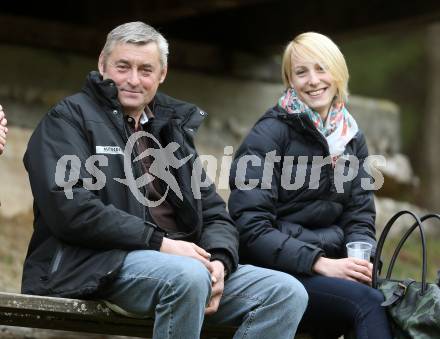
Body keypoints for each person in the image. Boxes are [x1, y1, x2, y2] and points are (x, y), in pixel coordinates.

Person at [22, 22, 308, 339]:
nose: (133, 79)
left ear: (162, 74)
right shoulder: (68, 119)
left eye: (146, 70)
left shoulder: (170, 129)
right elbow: (70, 209)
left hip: (184, 264)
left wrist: (220, 261)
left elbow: (213, 212)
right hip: (96, 265)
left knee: (286, 293)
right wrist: (161, 244)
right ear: (102, 64)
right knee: (186, 277)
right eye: (123, 66)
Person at [228, 32, 392, 339]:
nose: (313, 80)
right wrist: (320, 263)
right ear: (290, 80)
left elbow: (360, 217)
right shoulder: (268, 135)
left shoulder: (351, 136)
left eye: (321, 69)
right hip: (275, 272)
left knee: (395, 297)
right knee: (368, 305)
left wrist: (361, 262)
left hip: (331, 267)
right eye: (301, 72)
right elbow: (250, 228)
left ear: (338, 73)